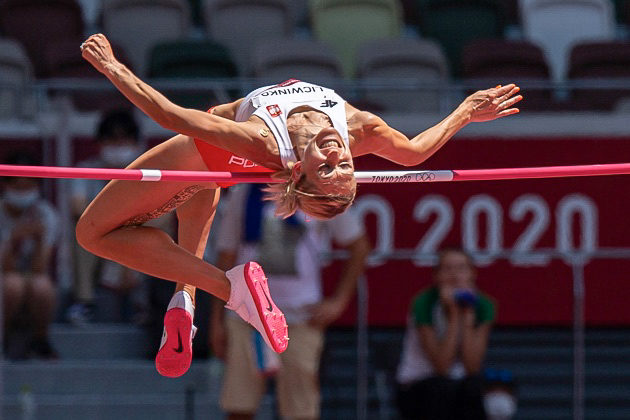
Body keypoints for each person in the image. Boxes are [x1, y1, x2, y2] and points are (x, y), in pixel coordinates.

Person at [77, 33, 521, 377]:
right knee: (197, 201)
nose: (335, 155)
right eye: (343, 163)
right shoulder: (357, 128)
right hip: (214, 150)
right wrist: (466, 110)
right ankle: (185, 300)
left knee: (92, 233)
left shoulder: (266, 142)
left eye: (326, 169)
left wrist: (113, 67)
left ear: (297, 172)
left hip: (208, 146)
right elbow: (416, 152)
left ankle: (228, 291)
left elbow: (173, 116)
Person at [211, 183, 370, 419]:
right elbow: (226, 255)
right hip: (246, 315)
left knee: (301, 410)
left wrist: (338, 302)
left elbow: (359, 246)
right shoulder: (243, 191)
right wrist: (217, 320)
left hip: (301, 317)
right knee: (239, 407)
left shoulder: (321, 188)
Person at [396, 248, 496, 420]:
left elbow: (472, 367)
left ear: (473, 274)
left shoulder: (484, 304)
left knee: (475, 388)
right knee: (442, 388)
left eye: (461, 268)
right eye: (447, 269)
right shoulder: (423, 303)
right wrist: (454, 314)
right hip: (419, 383)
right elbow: (441, 366)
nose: (455, 275)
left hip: (459, 384)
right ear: (436, 276)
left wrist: (468, 316)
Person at [68, 109, 145, 324]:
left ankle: (142, 304)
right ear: (100, 143)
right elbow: (78, 208)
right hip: (99, 240)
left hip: (137, 241)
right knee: (80, 233)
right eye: (112, 139)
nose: (118, 145)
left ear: (135, 142)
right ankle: (85, 302)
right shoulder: (85, 169)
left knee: (154, 230)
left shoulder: (148, 171)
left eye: (124, 139)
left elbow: (160, 214)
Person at [0, 153, 59, 360]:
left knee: (42, 286)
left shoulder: (46, 214)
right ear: (5, 186)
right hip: (6, 276)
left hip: (29, 275)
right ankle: (3, 337)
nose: (22, 192)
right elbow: (5, 268)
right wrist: (12, 238)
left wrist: (40, 239)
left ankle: (40, 339)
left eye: (28, 187)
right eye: (17, 187)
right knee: (12, 285)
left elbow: (39, 268)